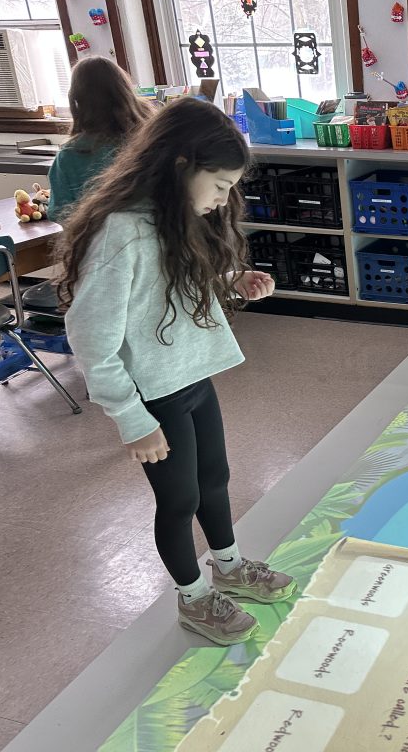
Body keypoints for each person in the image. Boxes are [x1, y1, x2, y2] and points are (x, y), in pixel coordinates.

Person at [56, 98, 293, 646]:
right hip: (154, 394)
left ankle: (229, 566)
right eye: (219, 184)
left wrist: (229, 279)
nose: (223, 198)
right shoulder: (122, 233)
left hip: (192, 375)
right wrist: (130, 418)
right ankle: (193, 597)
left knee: (215, 480)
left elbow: (173, 283)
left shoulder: (177, 216)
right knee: (179, 499)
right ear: (181, 164)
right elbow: (90, 334)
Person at [47, 56, 151, 223]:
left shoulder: (71, 155)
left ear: (76, 100)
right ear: (125, 90)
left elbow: (59, 212)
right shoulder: (150, 137)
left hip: (97, 241)